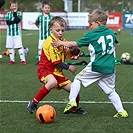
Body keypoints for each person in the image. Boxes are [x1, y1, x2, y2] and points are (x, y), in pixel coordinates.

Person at [52, 10, 128, 118]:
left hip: (97, 66)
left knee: (78, 79)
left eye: (91, 24)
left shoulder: (92, 34)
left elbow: (76, 44)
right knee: (111, 91)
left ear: (98, 23)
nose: (90, 27)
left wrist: (61, 43)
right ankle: (122, 111)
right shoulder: (111, 32)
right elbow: (114, 42)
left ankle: (72, 101)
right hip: (110, 68)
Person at [27, 16, 87, 115]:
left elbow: (74, 53)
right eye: (57, 30)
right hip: (45, 70)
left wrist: (72, 49)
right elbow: (56, 62)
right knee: (52, 82)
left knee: (74, 90)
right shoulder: (51, 42)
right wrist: (69, 67)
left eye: (62, 30)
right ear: (51, 30)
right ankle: (33, 103)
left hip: (57, 72)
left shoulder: (62, 41)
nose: (60, 33)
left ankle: (74, 109)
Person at [5, 0, 26, 65]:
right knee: (10, 47)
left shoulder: (19, 13)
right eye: (13, 6)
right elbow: (8, 23)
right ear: (10, 7)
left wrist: (14, 13)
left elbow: (17, 20)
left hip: (17, 33)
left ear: (17, 6)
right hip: (9, 33)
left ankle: (23, 60)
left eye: (15, 6)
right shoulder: (7, 14)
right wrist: (14, 21)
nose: (14, 7)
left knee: (19, 46)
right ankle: (12, 60)